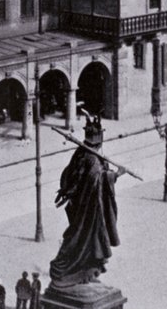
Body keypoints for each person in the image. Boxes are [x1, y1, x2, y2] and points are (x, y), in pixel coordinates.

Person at [48, 114, 125, 289]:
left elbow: (71, 174)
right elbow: (95, 179)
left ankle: (88, 272)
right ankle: (70, 272)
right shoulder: (92, 158)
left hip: (81, 205)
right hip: (88, 210)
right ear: (100, 140)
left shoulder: (82, 152)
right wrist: (115, 175)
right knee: (84, 239)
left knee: (81, 238)